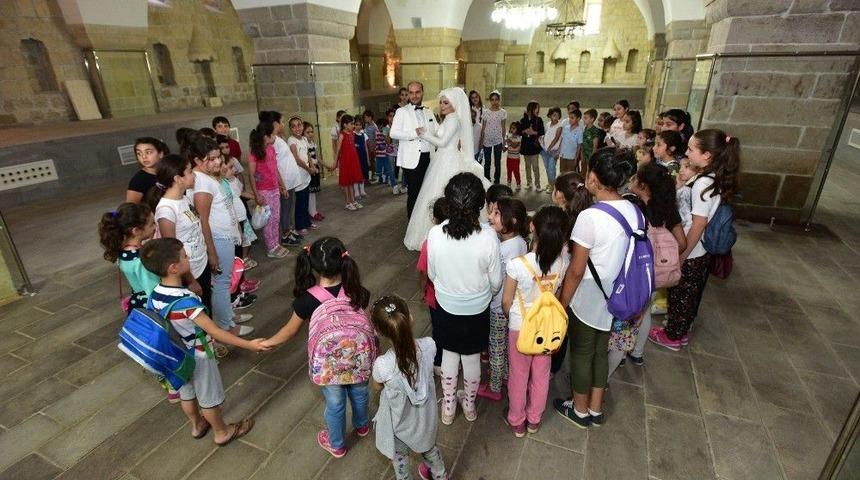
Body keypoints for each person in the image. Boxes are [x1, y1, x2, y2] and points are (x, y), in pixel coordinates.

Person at [141, 238, 268, 446]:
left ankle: (197, 425)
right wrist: (250, 345)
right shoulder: (187, 302)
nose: (188, 257)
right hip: (198, 354)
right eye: (184, 256)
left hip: (176, 355)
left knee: (187, 393)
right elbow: (216, 332)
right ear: (174, 268)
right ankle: (222, 432)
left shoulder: (155, 294)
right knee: (208, 398)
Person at [261, 237, 372, 458]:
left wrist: (268, 342)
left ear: (311, 264)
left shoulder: (306, 300)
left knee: (335, 403)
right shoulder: (357, 290)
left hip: (329, 366)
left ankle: (337, 443)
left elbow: (290, 331)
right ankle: (362, 426)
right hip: (358, 359)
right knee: (360, 393)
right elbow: (364, 322)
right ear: (344, 261)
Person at [553, 147, 637, 428]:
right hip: (619, 293)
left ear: (593, 178)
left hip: (590, 297)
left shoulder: (590, 217)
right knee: (601, 352)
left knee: (581, 354)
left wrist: (562, 304)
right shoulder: (632, 209)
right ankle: (596, 408)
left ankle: (579, 410)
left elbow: (576, 271)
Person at [649, 130, 740, 350]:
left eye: (691, 149)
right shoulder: (709, 178)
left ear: (707, 155)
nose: (687, 154)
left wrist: (682, 255)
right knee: (687, 294)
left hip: (693, 250)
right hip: (698, 252)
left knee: (682, 296)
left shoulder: (702, 184)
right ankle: (679, 330)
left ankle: (673, 337)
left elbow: (698, 224)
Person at [428, 173, 501, 425]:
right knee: (471, 357)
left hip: (446, 306)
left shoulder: (436, 234)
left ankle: (448, 407)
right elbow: (496, 282)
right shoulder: (489, 237)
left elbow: (432, 273)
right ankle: (469, 405)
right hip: (477, 308)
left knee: (449, 354)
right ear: (480, 205)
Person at [502, 206, 569, 436]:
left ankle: (516, 420)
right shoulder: (562, 263)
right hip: (547, 328)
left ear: (532, 227)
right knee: (541, 376)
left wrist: (510, 315)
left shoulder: (517, 265)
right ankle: (534, 420)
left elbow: (506, 301)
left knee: (518, 376)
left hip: (520, 328)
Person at [370, 296, 449, 480]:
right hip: (425, 418)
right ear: (410, 318)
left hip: (398, 422)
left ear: (379, 332)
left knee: (400, 460)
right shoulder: (430, 345)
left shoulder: (383, 365)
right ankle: (440, 475)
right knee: (429, 448)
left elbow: (376, 386)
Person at [403, 87, 490, 251]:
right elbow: (441, 134)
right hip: (443, 159)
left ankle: (443, 232)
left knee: (441, 194)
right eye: (441, 102)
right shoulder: (450, 118)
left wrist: (424, 134)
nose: (441, 105)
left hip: (447, 158)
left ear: (454, 104)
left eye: (445, 102)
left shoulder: (453, 119)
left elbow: (442, 142)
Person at [188, 136, 254, 339]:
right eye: (212, 158)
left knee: (225, 282)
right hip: (218, 238)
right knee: (222, 283)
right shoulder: (202, 183)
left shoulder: (210, 177)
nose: (218, 162)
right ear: (198, 161)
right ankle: (226, 327)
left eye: (219, 157)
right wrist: (212, 251)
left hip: (226, 236)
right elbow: (203, 221)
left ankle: (228, 316)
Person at [623, 163, 686, 367]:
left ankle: (620, 354)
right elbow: (682, 243)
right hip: (654, 274)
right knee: (645, 310)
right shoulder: (668, 209)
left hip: (633, 273)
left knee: (628, 312)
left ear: (645, 186)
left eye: (636, 178)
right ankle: (638, 352)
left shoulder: (634, 207)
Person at [479, 196, 528, 402]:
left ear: (513, 220)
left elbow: (495, 280)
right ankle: (506, 376)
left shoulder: (504, 249)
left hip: (499, 307)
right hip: (512, 306)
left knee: (496, 347)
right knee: (507, 345)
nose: (491, 216)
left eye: (497, 213)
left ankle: (495, 386)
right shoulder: (520, 243)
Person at [149, 154, 211, 310]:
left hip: (200, 263)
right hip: (188, 273)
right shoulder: (166, 210)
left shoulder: (184, 199)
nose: (194, 174)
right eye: (190, 171)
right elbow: (172, 251)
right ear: (178, 178)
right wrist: (190, 280)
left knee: (207, 307)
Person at [548, 171, 592, 375]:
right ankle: (556, 363)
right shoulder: (584, 218)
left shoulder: (558, 222)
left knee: (554, 322)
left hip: (558, 283)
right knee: (563, 328)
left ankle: (550, 363)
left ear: (560, 196)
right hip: (578, 286)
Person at [99, 202, 159, 311]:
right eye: (152, 224)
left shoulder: (123, 250)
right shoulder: (140, 259)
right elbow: (152, 289)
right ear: (136, 230)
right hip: (150, 306)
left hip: (137, 301)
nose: (155, 226)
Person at [391, 81, 436, 218]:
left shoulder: (428, 111)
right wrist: (414, 133)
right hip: (412, 160)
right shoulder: (401, 112)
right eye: (411, 92)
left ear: (422, 92)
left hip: (429, 157)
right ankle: (412, 227)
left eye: (417, 92)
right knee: (414, 194)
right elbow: (393, 133)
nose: (414, 95)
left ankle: (423, 223)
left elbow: (438, 130)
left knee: (427, 193)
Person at [247, 122, 290, 259]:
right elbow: (252, 176)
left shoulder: (271, 148)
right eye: (273, 134)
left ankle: (276, 244)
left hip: (275, 189)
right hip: (264, 192)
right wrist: (256, 195)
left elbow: (275, 169)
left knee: (276, 218)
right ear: (265, 136)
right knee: (268, 220)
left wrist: (282, 186)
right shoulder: (254, 154)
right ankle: (271, 247)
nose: (275, 136)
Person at [261, 111, 303, 247]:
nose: (283, 124)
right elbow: (275, 166)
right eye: (282, 122)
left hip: (290, 181)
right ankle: (285, 234)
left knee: (289, 207)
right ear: (275, 124)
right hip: (284, 181)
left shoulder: (278, 138)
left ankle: (290, 229)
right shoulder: (272, 141)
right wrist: (282, 185)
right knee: (285, 209)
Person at [416, 197, 449, 371]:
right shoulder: (459, 239)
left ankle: (439, 361)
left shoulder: (429, 243)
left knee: (438, 329)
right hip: (455, 294)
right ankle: (455, 359)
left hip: (435, 295)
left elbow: (423, 271)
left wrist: (422, 290)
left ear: (434, 219)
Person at [287, 117, 315, 234]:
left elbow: (308, 154)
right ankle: (300, 225)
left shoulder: (304, 139)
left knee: (305, 200)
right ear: (290, 129)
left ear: (302, 126)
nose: (297, 128)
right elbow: (296, 158)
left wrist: (312, 165)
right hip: (299, 176)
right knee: (300, 202)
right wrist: (308, 169)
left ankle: (307, 222)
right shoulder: (291, 140)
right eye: (293, 126)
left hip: (306, 175)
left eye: (299, 125)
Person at [334, 114, 365, 211]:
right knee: (347, 183)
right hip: (346, 162)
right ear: (344, 125)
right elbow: (338, 150)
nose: (353, 126)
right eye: (351, 124)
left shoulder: (351, 134)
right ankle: (348, 202)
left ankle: (353, 200)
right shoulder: (342, 135)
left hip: (353, 161)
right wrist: (335, 162)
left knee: (351, 182)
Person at [127, 137, 168, 203]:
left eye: (148, 152)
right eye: (139, 153)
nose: (144, 157)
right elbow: (131, 209)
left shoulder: (170, 171)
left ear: (160, 154)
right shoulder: (138, 180)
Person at [480, 90, 507, 184]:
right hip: (487, 139)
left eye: (496, 99)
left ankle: (497, 180)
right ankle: (487, 179)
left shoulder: (503, 112)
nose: (494, 102)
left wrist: (504, 142)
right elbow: (483, 128)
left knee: (497, 162)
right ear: (490, 101)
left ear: (499, 100)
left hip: (498, 140)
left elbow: (503, 128)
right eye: (492, 100)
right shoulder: (486, 112)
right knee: (487, 162)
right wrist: (481, 141)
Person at [519, 101, 545, 191]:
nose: (538, 110)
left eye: (538, 108)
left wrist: (533, 132)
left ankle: (538, 185)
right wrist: (524, 131)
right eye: (536, 108)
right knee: (527, 166)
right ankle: (529, 183)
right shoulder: (523, 120)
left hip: (534, 146)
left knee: (535, 166)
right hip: (526, 146)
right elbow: (519, 131)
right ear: (531, 108)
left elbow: (542, 132)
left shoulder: (539, 120)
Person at [304, 122, 325, 222]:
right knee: (310, 193)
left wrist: (325, 165)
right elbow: (307, 158)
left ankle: (314, 211)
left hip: (315, 168)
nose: (310, 134)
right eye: (308, 132)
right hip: (309, 169)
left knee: (313, 193)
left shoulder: (312, 143)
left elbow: (316, 157)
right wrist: (312, 167)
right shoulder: (304, 144)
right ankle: (311, 212)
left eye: (312, 132)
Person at [539, 107, 563, 193]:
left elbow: (556, 138)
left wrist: (549, 148)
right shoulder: (548, 124)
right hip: (545, 150)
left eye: (557, 115)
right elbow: (546, 135)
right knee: (547, 168)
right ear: (550, 116)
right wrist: (542, 143)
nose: (556, 117)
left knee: (552, 168)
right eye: (554, 115)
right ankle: (550, 183)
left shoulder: (559, 126)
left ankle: (553, 187)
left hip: (553, 151)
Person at [559, 109, 583, 175]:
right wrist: (559, 150)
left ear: (578, 119)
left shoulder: (580, 130)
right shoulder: (566, 128)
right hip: (563, 155)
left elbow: (579, 145)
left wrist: (576, 158)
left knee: (570, 174)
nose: (570, 119)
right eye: (569, 117)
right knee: (562, 172)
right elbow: (562, 139)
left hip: (571, 156)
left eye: (572, 118)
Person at [354, 117, 370, 199]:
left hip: (363, 157)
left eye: (360, 125)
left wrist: (367, 158)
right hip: (356, 158)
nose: (358, 126)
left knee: (363, 174)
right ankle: (356, 192)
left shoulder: (364, 135)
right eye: (356, 125)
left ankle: (362, 191)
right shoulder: (352, 135)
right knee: (356, 174)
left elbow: (366, 148)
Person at [505, 122, 522, 191]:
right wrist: (504, 146)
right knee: (509, 171)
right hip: (509, 157)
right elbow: (506, 146)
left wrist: (509, 140)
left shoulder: (519, 137)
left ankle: (518, 184)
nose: (511, 130)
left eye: (513, 128)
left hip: (516, 159)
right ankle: (509, 183)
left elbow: (514, 146)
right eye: (511, 128)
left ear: (517, 129)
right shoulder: (509, 136)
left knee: (516, 171)